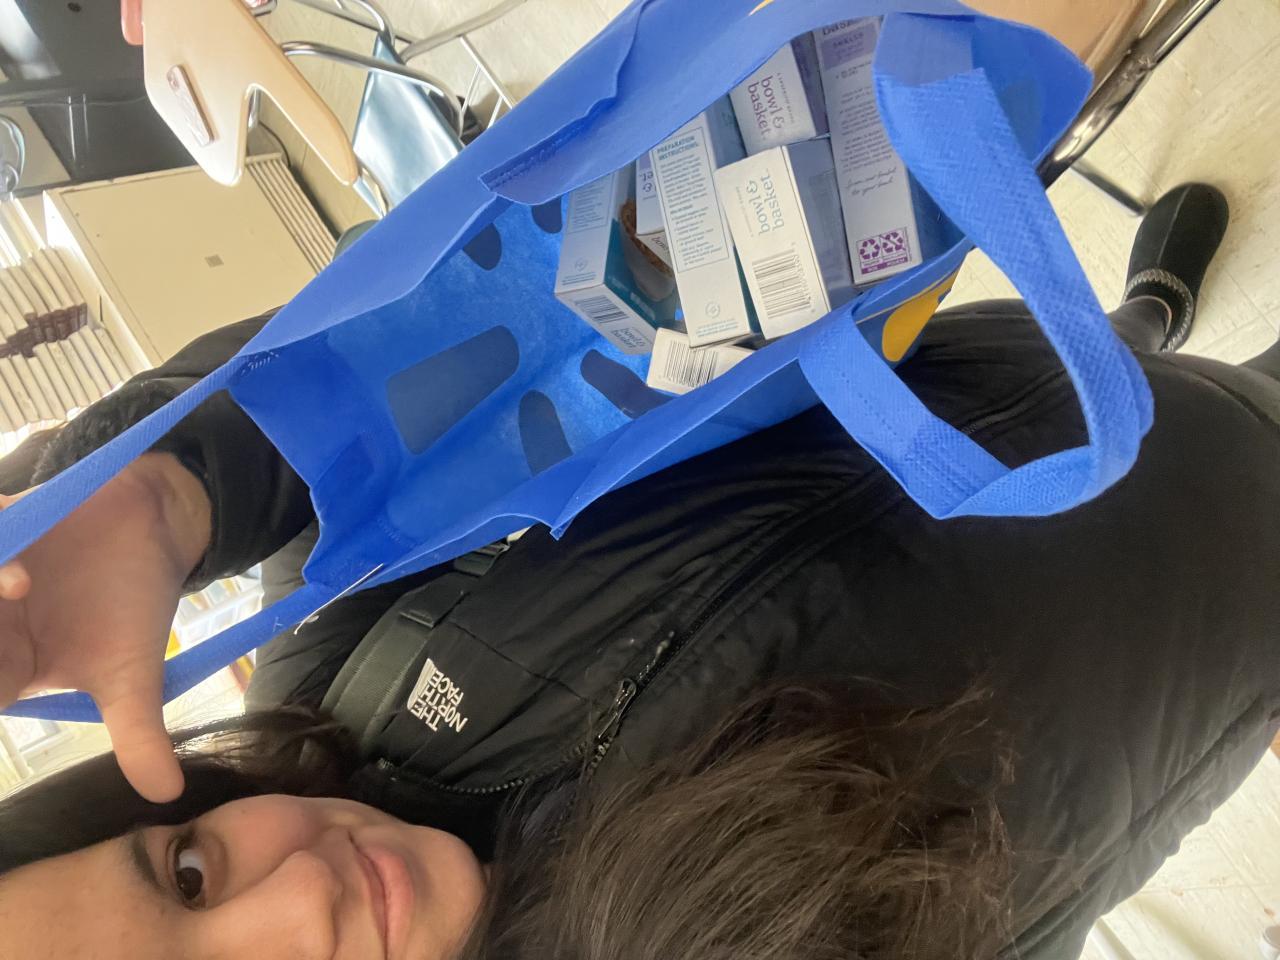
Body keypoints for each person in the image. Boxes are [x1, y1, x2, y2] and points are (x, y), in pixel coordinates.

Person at [0, 183, 1277, 960]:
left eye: (189, 875)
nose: (302, 907)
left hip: (1012, 383)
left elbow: (375, 388)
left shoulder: (333, 695)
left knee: (1138, 373)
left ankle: (1146, 315)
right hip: (1228, 607)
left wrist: (169, 484)